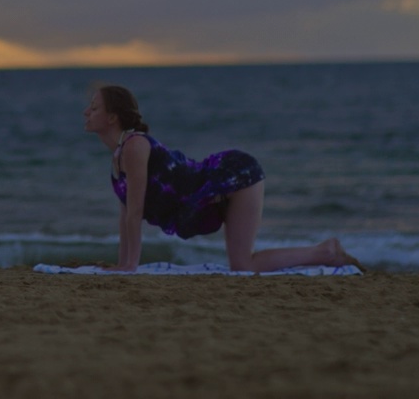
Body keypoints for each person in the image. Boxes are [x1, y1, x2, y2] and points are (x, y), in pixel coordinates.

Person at [84, 84, 362, 273]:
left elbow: (135, 213)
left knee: (243, 266)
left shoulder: (134, 146)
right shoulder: (118, 157)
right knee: (241, 266)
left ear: (112, 117)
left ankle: (326, 252)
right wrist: (122, 265)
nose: (87, 112)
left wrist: (131, 267)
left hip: (235, 174)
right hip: (212, 191)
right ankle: (326, 252)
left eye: (94, 108)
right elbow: (125, 217)